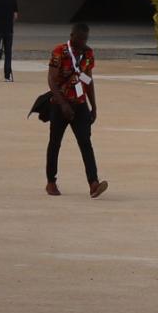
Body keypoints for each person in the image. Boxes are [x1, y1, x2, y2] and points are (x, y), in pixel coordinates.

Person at [45, 21, 109, 198]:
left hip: (80, 105)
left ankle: (93, 183)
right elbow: (51, 80)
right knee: (55, 143)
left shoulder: (88, 54)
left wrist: (93, 106)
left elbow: (88, 79)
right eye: (80, 39)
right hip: (59, 105)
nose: (83, 42)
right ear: (72, 37)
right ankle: (51, 181)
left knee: (85, 143)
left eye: (85, 39)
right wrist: (63, 104)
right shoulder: (60, 52)